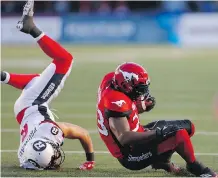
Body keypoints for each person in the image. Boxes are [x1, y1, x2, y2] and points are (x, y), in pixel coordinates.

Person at [1, 0, 95, 170]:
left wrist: (90, 159)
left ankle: (30, 28)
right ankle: (3, 76)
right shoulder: (26, 158)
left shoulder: (50, 132)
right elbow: (35, 162)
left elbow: (83, 133)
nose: (57, 157)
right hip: (24, 114)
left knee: (64, 60)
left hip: (32, 105)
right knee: (37, 82)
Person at [96, 62, 217, 177]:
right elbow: (124, 137)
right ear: (124, 85)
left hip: (138, 132)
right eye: (139, 88)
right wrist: (156, 134)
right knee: (178, 134)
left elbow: (126, 114)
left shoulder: (112, 81)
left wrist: (141, 108)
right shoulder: (114, 100)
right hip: (131, 154)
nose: (142, 92)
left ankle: (162, 161)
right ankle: (195, 167)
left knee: (188, 126)